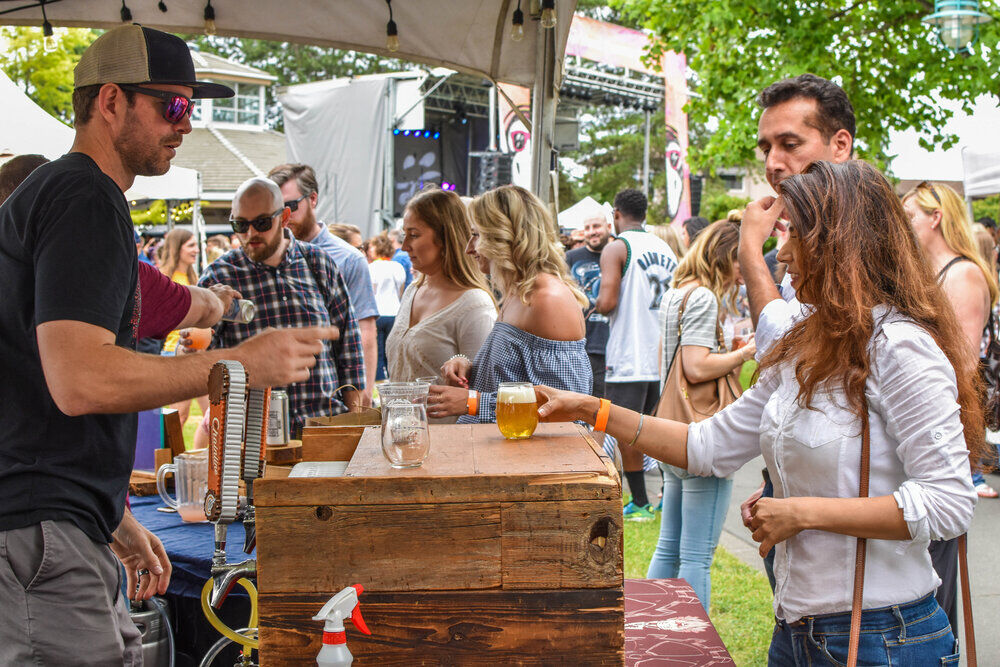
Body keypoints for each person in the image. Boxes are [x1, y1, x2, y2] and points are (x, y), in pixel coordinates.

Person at [536, 160, 980, 665]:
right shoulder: (804, 343)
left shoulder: (899, 347)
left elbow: (948, 502)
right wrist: (592, 409)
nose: (783, 254)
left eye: (797, 237)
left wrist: (800, 512)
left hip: (883, 637)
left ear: (843, 244)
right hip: (797, 631)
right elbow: (706, 445)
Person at [0, 25, 337, 664]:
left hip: (56, 523)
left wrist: (113, 518)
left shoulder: (62, 199)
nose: (186, 125)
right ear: (110, 102)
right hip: (39, 536)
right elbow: (80, 381)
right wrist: (238, 361)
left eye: (193, 108)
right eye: (172, 106)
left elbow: (32, 389)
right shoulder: (84, 196)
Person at [738, 72, 855, 590]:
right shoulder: (799, 233)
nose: (773, 163)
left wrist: (749, 256)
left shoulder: (860, 243)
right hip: (796, 513)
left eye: (791, 144)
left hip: (865, 568)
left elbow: (782, 350)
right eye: (766, 147)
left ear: (840, 145)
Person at [199, 177, 365, 432]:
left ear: (285, 217)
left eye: (262, 223)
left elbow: (349, 347)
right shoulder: (219, 277)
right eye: (240, 224)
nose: (251, 233)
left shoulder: (319, 263)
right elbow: (203, 361)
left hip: (324, 426)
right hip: (253, 436)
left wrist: (354, 421)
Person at [648, 219, 756, 609]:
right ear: (726, 258)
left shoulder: (678, 292)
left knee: (669, 544)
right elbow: (695, 367)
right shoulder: (705, 298)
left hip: (671, 427)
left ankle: (651, 629)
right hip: (698, 435)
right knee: (695, 556)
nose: (744, 273)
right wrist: (744, 354)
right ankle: (694, 648)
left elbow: (672, 361)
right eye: (741, 262)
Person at [426, 185, 591, 422]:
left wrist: (473, 402)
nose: (469, 248)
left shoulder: (548, 299)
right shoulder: (521, 291)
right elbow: (517, 378)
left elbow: (565, 410)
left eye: (476, 235)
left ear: (503, 236)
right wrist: (470, 369)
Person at [903, 181, 999, 509]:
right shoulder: (933, 274)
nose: (903, 226)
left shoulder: (963, 274)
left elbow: (963, 362)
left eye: (909, 216)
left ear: (936, 217)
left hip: (941, 422)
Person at [595, 188, 679, 521]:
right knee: (657, 430)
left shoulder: (617, 247)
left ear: (616, 214)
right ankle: (664, 497)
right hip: (662, 354)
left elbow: (608, 302)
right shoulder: (665, 247)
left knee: (626, 430)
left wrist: (591, 304)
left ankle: (641, 502)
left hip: (629, 354)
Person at [269, 163, 379, 404]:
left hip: (329, 398)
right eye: (275, 209)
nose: (284, 216)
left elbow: (364, 330)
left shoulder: (347, 259)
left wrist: (364, 395)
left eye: (290, 206)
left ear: (313, 199)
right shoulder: (265, 258)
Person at [385, 187, 496, 400]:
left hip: (447, 432)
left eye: (414, 235)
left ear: (446, 239)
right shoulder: (412, 290)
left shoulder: (474, 304)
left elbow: (484, 392)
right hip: (399, 429)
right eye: (404, 235)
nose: (405, 246)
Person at [159, 227, 211, 423]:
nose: (196, 250)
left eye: (196, 245)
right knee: (179, 415)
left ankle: (208, 454)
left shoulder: (193, 277)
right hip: (175, 352)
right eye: (191, 245)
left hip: (197, 351)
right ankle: (165, 455)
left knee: (213, 414)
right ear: (177, 248)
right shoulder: (165, 277)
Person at [566, 214, 614, 399]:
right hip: (580, 344)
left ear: (608, 226)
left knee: (604, 404)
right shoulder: (571, 257)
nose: (592, 232)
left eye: (596, 226)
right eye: (587, 228)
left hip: (607, 343)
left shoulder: (618, 254)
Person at [367, 232, 406, 380]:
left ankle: (378, 383)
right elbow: (400, 292)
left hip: (377, 313)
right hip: (395, 312)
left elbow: (371, 291)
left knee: (377, 352)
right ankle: (394, 379)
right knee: (391, 352)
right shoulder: (397, 266)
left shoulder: (372, 267)